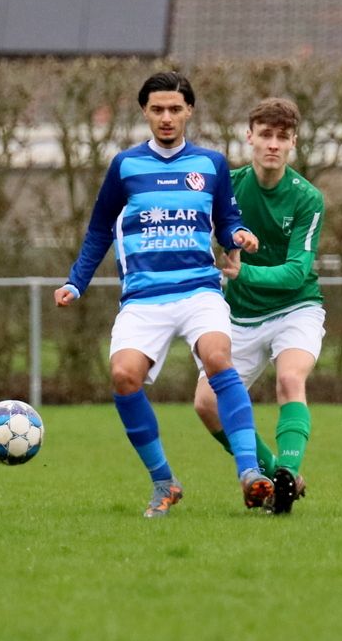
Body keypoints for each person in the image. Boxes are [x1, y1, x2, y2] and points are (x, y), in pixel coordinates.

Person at [54, 72, 275, 518]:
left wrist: (239, 234)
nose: (167, 117)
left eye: (175, 108)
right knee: (123, 376)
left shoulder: (211, 164)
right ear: (145, 112)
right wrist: (76, 281)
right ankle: (164, 482)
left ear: (189, 110)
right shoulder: (125, 166)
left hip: (199, 290)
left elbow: (226, 220)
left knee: (218, 358)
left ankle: (250, 473)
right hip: (143, 297)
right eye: (157, 109)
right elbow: (99, 229)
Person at [193, 98, 325, 515]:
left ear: (293, 143)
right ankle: (273, 475)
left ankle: (287, 472)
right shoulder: (227, 187)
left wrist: (242, 272)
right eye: (265, 135)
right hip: (238, 315)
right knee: (207, 404)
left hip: (295, 308)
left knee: (290, 380)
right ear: (249, 137)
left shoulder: (307, 198)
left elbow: (296, 273)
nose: (273, 144)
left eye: (282, 137)